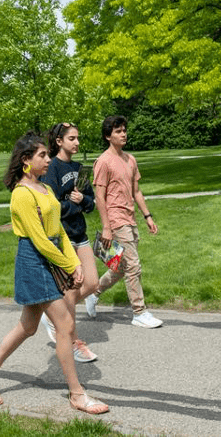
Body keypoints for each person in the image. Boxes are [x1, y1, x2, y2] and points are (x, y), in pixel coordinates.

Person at [0, 133, 108, 415]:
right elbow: (39, 240)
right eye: (42, 155)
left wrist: (76, 263)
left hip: (50, 256)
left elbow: (58, 230)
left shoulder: (44, 188)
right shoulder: (22, 194)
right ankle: (77, 394)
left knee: (28, 327)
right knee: (65, 325)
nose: (48, 159)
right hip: (33, 261)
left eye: (48, 154)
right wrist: (70, 266)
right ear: (26, 160)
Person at [83, 115, 162, 328]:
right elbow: (100, 197)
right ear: (108, 136)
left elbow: (136, 191)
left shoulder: (130, 159)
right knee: (133, 265)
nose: (124, 134)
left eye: (124, 130)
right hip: (116, 219)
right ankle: (139, 312)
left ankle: (93, 293)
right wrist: (107, 228)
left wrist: (147, 216)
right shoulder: (103, 162)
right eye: (118, 131)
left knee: (120, 267)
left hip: (130, 217)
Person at [41, 123, 98, 362]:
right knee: (73, 291)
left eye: (78, 138)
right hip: (61, 237)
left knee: (93, 283)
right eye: (72, 138)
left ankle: (55, 315)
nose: (77, 142)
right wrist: (74, 204)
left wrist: (82, 198)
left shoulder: (79, 168)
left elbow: (91, 203)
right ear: (59, 142)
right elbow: (52, 207)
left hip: (80, 233)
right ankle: (73, 341)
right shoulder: (51, 168)